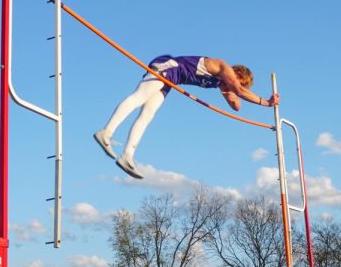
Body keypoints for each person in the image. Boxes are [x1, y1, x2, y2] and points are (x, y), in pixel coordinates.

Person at [94, 55, 280, 179]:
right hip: (169, 67)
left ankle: (127, 156)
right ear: (237, 74)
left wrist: (228, 92)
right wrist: (266, 102)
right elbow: (239, 91)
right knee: (139, 97)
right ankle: (106, 132)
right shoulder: (223, 67)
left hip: (172, 80)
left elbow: (236, 105)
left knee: (147, 115)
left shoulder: (221, 83)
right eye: (241, 83)